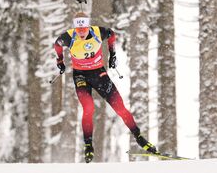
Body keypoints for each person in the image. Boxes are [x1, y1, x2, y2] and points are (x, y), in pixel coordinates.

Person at [54, 11, 158, 163]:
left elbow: (112, 35)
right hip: (81, 76)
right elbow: (57, 45)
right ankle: (88, 146)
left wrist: (112, 54)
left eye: (83, 29)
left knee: (119, 107)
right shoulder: (69, 37)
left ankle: (139, 137)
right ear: (75, 28)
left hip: (99, 74)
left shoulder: (97, 32)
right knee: (88, 108)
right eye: (79, 30)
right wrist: (60, 61)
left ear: (88, 26)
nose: (81, 33)